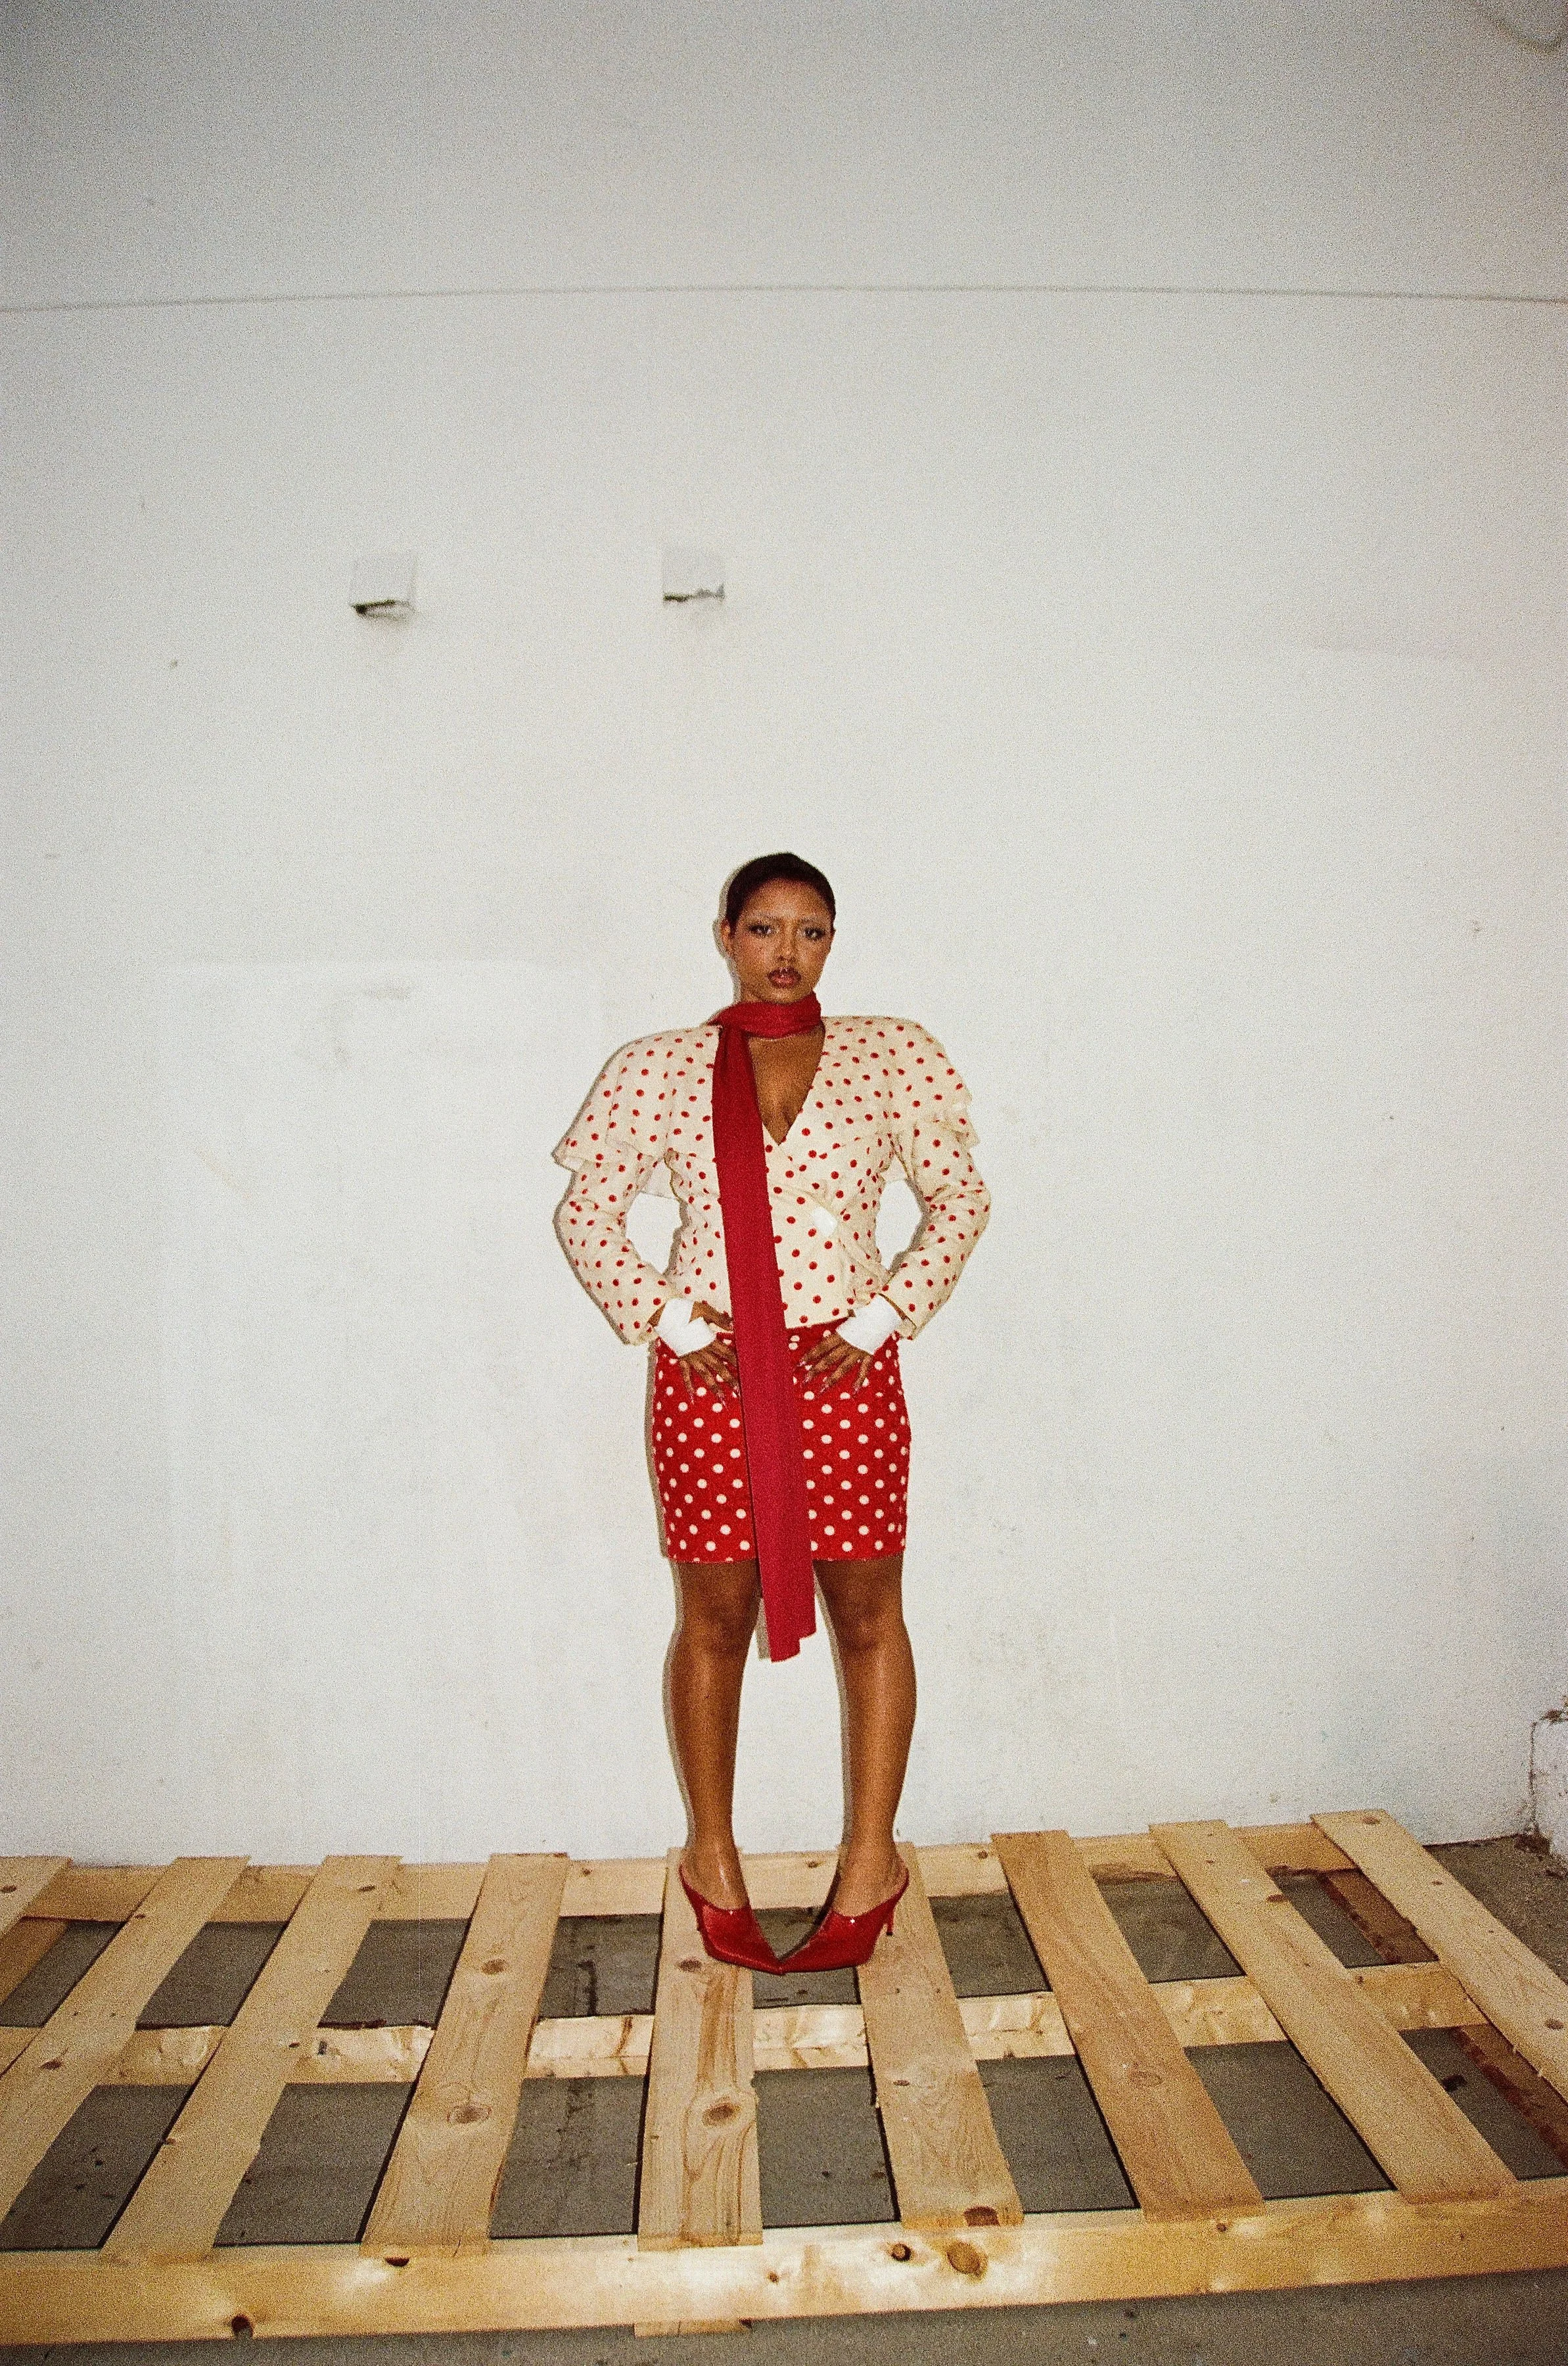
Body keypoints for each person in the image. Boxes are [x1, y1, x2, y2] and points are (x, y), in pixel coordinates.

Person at [553, 853, 990, 1972]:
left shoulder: (890, 1056)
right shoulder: (661, 1068)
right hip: (712, 1382)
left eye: (811, 932)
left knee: (868, 1616)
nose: (787, 954)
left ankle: (869, 1857)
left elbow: (960, 1198)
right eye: (763, 929)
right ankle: (712, 1853)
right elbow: (588, 1211)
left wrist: (887, 1315)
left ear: (832, 943)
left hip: (845, 1377)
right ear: (725, 936)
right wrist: (676, 1323)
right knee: (713, 1619)